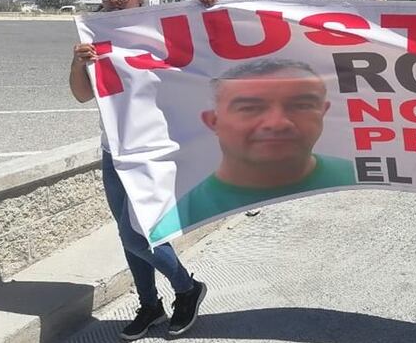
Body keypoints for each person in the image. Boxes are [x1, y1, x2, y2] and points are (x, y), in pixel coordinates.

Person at [70, 0, 217, 341]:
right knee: (126, 234)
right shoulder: (96, 33)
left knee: (139, 235)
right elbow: (83, 94)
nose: (113, 0)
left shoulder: (159, 28)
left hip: (153, 149)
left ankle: (186, 288)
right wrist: (77, 62)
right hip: (114, 150)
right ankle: (150, 305)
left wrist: (206, 9)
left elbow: (206, 51)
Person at [148, 59, 356, 238]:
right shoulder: (179, 215)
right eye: (250, 108)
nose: (277, 123)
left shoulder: (355, 175)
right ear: (213, 121)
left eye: (301, 105)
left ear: (323, 111)